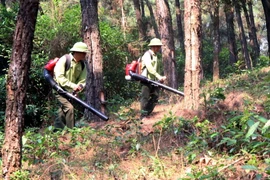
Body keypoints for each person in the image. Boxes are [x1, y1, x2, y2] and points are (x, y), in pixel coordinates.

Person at [53, 42, 89, 129]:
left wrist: (78, 88)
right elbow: (60, 77)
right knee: (69, 108)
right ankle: (71, 132)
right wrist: (73, 86)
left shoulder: (82, 65)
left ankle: (56, 132)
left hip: (70, 92)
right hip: (59, 89)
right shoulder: (64, 60)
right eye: (83, 53)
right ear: (77, 52)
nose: (85, 55)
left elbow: (82, 80)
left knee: (62, 111)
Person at [140, 38, 166, 119]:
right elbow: (150, 67)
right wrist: (159, 76)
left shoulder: (156, 56)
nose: (159, 48)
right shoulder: (147, 54)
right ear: (153, 46)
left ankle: (147, 113)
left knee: (155, 97)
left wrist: (159, 79)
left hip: (154, 81)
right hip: (146, 80)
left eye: (159, 46)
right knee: (145, 98)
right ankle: (143, 116)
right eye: (158, 46)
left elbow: (156, 69)